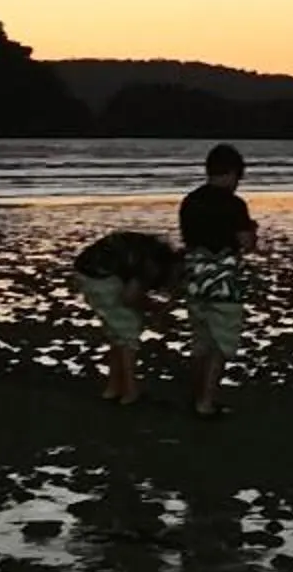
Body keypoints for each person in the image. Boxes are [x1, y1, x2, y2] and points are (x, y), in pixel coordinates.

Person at [176, 143, 256, 419]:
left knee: (200, 340)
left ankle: (196, 393)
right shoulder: (234, 205)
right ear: (233, 173)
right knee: (222, 342)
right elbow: (246, 243)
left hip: (195, 275)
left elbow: (187, 240)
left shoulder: (190, 201)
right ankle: (206, 402)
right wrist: (252, 231)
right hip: (223, 278)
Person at [70, 228, 182, 405]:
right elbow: (129, 297)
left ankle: (114, 388)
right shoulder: (151, 263)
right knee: (128, 335)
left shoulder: (146, 248)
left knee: (116, 336)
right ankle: (130, 392)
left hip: (86, 271)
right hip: (103, 277)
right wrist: (153, 309)